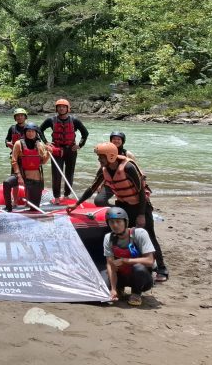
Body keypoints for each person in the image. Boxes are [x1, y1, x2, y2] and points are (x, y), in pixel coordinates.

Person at [68, 142, 168, 282]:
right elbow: (92, 188)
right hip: (124, 206)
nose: (99, 160)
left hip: (140, 206)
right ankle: (131, 267)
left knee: (149, 236)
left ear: (110, 156)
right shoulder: (105, 169)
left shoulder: (128, 167)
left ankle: (162, 268)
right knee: (125, 237)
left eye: (100, 157)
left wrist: (141, 215)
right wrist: (76, 205)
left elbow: (141, 192)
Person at [100, 206, 155, 306]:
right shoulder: (108, 238)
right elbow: (110, 264)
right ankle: (118, 289)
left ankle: (136, 293)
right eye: (111, 222)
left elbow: (150, 261)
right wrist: (112, 288)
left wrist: (124, 260)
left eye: (118, 221)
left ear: (126, 222)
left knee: (139, 268)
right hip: (122, 274)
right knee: (103, 280)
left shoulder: (140, 233)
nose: (115, 225)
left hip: (141, 277)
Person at [39, 98, 89, 203]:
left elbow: (85, 133)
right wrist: (46, 142)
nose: (61, 109)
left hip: (71, 150)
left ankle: (66, 195)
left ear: (68, 108)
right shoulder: (51, 120)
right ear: (56, 109)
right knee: (56, 174)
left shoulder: (75, 120)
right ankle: (56, 197)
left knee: (69, 173)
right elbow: (39, 130)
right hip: (56, 150)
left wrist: (80, 145)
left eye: (64, 107)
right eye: (59, 107)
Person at [2, 123, 50, 212]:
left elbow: (42, 161)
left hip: (35, 178)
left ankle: (32, 209)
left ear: (36, 133)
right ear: (25, 132)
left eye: (32, 131)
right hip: (22, 175)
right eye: (28, 131)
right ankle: (8, 208)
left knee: (34, 208)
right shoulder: (18, 144)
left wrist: (48, 154)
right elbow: (14, 161)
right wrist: (19, 176)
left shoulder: (40, 145)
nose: (30, 133)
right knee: (7, 183)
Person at [94, 131, 136, 207]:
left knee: (129, 201)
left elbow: (135, 171)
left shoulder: (128, 154)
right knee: (99, 201)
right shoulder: (104, 152)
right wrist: (99, 184)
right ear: (111, 140)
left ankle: (127, 208)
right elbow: (101, 170)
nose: (116, 141)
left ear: (122, 141)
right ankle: (117, 208)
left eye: (118, 139)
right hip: (110, 183)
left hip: (124, 183)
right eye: (114, 139)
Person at [4, 108, 29, 208]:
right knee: (15, 181)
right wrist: (8, 144)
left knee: (28, 180)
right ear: (15, 118)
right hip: (15, 158)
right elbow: (6, 139)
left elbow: (37, 140)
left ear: (25, 117)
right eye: (17, 116)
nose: (19, 117)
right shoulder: (12, 128)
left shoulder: (30, 128)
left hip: (27, 158)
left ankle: (28, 201)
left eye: (21, 115)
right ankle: (15, 201)